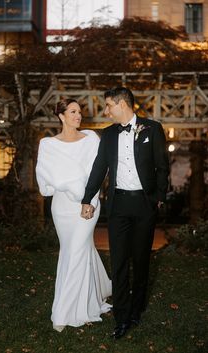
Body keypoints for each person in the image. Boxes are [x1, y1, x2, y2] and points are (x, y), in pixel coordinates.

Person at [81, 87, 169, 339]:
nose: (105, 110)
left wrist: (159, 197)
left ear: (122, 104)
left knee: (141, 260)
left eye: (108, 105)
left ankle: (136, 310)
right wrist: (87, 197)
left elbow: (162, 165)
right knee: (118, 261)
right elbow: (99, 168)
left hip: (144, 204)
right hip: (118, 205)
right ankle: (121, 316)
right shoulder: (107, 135)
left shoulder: (152, 129)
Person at [35, 98, 111, 332]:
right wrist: (67, 182)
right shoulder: (48, 144)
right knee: (74, 251)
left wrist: (87, 199)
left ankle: (63, 311)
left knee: (76, 252)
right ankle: (91, 301)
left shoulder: (91, 140)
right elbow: (47, 178)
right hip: (62, 207)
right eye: (73, 111)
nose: (79, 115)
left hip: (87, 205)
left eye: (80, 111)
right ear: (61, 116)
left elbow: (97, 172)